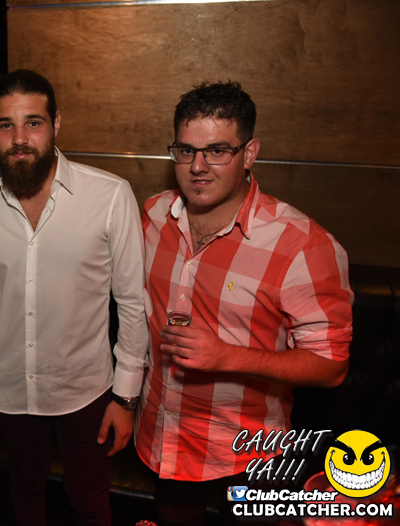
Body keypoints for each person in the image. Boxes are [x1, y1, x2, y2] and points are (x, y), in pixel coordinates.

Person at [134, 81, 353, 525]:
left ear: (249, 153)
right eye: (185, 150)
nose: (197, 166)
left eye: (217, 151)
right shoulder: (152, 216)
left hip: (252, 453)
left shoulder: (302, 245)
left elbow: (331, 366)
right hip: (165, 438)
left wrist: (227, 356)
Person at [0, 69, 149, 526]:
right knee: (25, 491)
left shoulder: (110, 195)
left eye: (33, 122)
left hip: (86, 390)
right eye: (6, 125)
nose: (19, 138)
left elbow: (133, 302)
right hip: (10, 388)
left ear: (56, 124)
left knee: (89, 502)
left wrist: (126, 398)